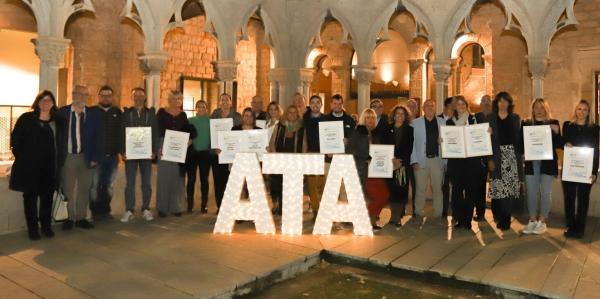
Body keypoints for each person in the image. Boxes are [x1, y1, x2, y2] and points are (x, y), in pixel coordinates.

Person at [10, 91, 61, 240]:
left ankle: (46, 227)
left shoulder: (56, 120)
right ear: (37, 102)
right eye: (43, 100)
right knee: (30, 199)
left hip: (49, 167)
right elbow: (15, 140)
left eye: (49, 100)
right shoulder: (27, 118)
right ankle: (33, 229)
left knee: (47, 198)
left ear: (53, 103)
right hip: (30, 168)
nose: (46, 103)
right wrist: (22, 159)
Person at [56, 85, 102, 230]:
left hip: (87, 157)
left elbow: (99, 138)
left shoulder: (93, 114)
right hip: (68, 157)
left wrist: (95, 157)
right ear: (73, 94)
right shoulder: (62, 112)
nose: (81, 97)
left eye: (85, 94)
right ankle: (69, 218)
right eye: (79, 93)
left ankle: (81, 217)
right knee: (68, 189)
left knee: (84, 189)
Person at [521, 98, 562, 235]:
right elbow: (521, 144)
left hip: (548, 163)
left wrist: (556, 132)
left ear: (546, 109)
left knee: (545, 192)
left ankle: (542, 221)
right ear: (532, 109)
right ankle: (532, 220)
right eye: (536, 107)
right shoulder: (526, 123)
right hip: (531, 163)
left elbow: (558, 144)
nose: (538, 110)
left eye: (541, 107)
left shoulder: (553, 123)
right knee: (531, 192)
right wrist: (523, 154)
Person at [445, 96, 485, 230]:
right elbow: (448, 140)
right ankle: (458, 218)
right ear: (455, 106)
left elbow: (482, 135)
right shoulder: (450, 122)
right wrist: (442, 141)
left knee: (470, 192)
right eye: (458, 104)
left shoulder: (475, 119)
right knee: (456, 192)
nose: (460, 106)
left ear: (466, 105)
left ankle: (467, 221)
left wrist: (487, 132)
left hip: (471, 162)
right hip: (455, 162)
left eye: (463, 104)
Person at [561, 99, 599, 238]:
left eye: (584, 109)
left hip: (586, 169)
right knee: (569, 198)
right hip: (570, 169)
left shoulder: (594, 128)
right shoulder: (567, 126)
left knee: (583, 198)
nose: (581, 112)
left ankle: (580, 228)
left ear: (588, 112)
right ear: (575, 110)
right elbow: (561, 141)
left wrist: (594, 172)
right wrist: (566, 142)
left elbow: (596, 150)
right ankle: (570, 226)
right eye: (579, 109)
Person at [121, 87, 159, 222]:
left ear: (145, 97)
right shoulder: (127, 114)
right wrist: (122, 151)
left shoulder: (151, 114)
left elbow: (155, 133)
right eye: (135, 96)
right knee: (129, 183)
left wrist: (154, 151)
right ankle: (129, 210)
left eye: (140, 96)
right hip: (130, 154)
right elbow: (122, 133)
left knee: (146, 183)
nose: (138, 98)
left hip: (146, 154)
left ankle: (146, 209)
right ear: (133, 98)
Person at [488, 91, 522, 231]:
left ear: (509, 103)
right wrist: (490, 159)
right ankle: (500, 216)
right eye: (500, 101)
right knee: (498, 190)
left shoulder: (515, 118)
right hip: (496, 155)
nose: (503, 103)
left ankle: (506, 219)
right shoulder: (490, 118)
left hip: (511, 156)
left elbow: (519, 139)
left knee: (509, 190)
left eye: (505, 101)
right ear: (496, 103)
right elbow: (487, 141)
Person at [156, 90, 194, 217]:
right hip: (164, 146)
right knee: (164, 177)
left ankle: (176, 207)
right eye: (174, 98)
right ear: (169, 99)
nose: (177, 101)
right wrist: (158, 148)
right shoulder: (161, 112)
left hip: (178, 148)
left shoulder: (183, 115)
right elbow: (156, 131)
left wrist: (189, 140)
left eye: (179, 99)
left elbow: (189, 131)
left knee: (177, 178)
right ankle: (162, 208)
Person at [89, 85, 123, 220]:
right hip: (96, 157)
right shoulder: (91, 112)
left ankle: (105, 211)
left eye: (108, 95)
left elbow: (121, 133)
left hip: (113, 157)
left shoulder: (117, 112)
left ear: (112, 97)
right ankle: (95, 212)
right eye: (103, 95)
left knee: (108, 185)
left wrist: (122, 151)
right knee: (95, 186)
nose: (105, 97)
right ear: (99, 96)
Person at [410, 99, 445, 223]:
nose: (430, 107)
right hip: (420, 160)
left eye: (432, 105)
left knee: (437, 188)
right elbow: (411, 144)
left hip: (437, 160)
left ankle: (438, 213)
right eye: (427, 105)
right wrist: (414, 161)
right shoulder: (414, 123)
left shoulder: (443, 122)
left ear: (435, 108)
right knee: (420, 188)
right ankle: (418, 212)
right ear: (423, 108)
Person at [268, 105, 305, 215]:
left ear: (298, 114)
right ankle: (280, 208)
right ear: (286, 114)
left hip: (295, 162)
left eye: (295, 112)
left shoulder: (301, 127)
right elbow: (272, 143)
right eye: (290, 112)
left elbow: (304, 145)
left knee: (292, 187)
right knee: (278, 185)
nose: (292, 114)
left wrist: (302, 160)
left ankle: (291, 210)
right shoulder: (279, 126)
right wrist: (275, 158)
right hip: (280, 161)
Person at [347, 109, 379, 229]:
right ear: (363, 119)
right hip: (360, 168)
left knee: (373, 194)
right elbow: (350, 150)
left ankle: (370, 219)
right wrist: (365, 157)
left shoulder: (375, 133)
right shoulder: (358, 131)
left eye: (373, 118)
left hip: (374, 169)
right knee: (360, 194)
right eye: (368, 117)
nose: (370, 120)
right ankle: (359, 219)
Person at [210, 93, 242, 211]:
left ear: (231, 102)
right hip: (217, 153)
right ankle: (220, 207)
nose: (224, 102)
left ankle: (231, 207)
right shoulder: (214, 115)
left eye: (226, 100)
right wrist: (214, 147)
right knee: (218, 181)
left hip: (231, 154)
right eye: (222, 100)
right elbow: (212, 133)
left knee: (231, 181)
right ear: (219, 102)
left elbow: (240, 133)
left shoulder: (237, 116)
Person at [384, 105, 413, 228]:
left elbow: (409, 148)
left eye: (402, 114)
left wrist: (399, 161)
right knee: (392, 191)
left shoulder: (409, 130)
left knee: (401, 191)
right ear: (394, 115)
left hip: (402, 164)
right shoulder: (387, 128)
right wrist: (392, 160)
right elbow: (385, 145)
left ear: (405, 116)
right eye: (398, 113)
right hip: (390, 164)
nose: (400, 116)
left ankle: (398, 217)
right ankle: (393, 216)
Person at [186, 100, 212, 214]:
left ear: (206, 109)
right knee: (191, 180)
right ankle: (190, 205)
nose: (201, 109)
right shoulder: (190, 120)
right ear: (196, 108)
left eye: (204, 107)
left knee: (204, 180)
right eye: (199, 107)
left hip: (205, 154)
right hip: (192, 153)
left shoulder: (211, 121)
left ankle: (204, 205)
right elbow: (185, 135)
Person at [304, 95, 325, 218]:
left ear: (321, 105)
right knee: (311, 184)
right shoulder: (305, 119)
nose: (315, 105)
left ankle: (321, 206)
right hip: (310, 154)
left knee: (321, 184)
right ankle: (317, 210)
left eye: (318, 102)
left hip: (323, 155)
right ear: (310, 105)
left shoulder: (326, 119)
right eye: (313, 102)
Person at [473, 95, 492, 220]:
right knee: (479, 186)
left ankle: (498, 212)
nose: (485, 103)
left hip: (493, 156)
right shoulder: (475, 117)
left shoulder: (496, 117)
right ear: (480, 104)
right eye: (483, 101)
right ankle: (480, 213)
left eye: (488, 101)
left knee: (496, 185)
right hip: (479, 157)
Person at [439, 97, 455, 218]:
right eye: (451, 107)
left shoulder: (457, 120)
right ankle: (443, 210)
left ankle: (454, 210)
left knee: (455, 186)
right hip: (440, 159)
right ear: (445, 107)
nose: (453, 109)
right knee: (443, 186)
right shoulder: (436, 119)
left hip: (454, 159)